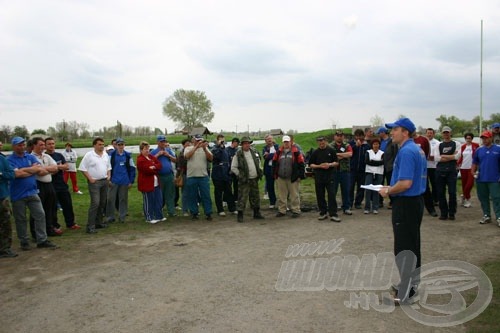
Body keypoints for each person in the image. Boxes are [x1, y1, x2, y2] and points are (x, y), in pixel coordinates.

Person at [380, 118, 426, 305]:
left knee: (404, 248)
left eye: (395, 130)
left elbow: (406, 183)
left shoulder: (407, 151)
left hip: (406, 203)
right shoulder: (417, 149)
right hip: (414, 202)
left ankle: (407, 292)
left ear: (405, 132)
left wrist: (388, 190)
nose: (392, 133)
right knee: (412, 245)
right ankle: (411, 286)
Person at [7, 137, 58, 250]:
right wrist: (31, 170)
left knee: (40, 215)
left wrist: (24, 170)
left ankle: (42, 240)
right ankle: (24, 241)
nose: (21, 147)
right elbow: (16, 175)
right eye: (18, 145)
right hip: (18, 194)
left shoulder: (29, 156)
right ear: (13, 146)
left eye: (22, 144)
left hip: (33, 191)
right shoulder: (9, 160)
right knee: (21, 219)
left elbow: (40, 170)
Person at [45, 137, 81, 230]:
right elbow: (46, 170)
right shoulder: (44, 157)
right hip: (51, 185)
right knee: (52, 207)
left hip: (62, 184)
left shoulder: (59, 155)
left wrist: (55, 167)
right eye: (49, 144)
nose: (51, 145)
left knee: (67, 204)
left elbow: (66, 166)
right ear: (45, 145)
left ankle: (71, 223)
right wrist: (59, 167)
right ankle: (54, 225)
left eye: (53, 143)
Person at [78, 137, 111, 234]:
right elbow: (82, 168)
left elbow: (108, 167)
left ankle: (99, 222)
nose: (101, 146)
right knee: (95, 203)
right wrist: (90, 179)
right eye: (99, 144)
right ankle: (90, 226)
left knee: (102, 203)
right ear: (94, 145)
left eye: (103, 144)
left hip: (104, 181)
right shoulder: (89, 155)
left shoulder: (105, 154)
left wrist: (109, 175)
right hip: (95, 183)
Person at [31, 137, 61, 236]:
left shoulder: (46, 156)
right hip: (38, 185)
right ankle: (36, 232)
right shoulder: (31, 157)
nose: (43, 147)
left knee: (50, 207)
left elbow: (56, 168)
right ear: (34, 145)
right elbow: (39, 172)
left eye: (43, 145)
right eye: (40, 145)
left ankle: (49, 228)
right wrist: (48, 169)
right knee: (38, 209)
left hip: (49, 184)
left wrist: (44, 169)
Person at [231, 136, 264, 223]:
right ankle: (240, 215)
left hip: (254, 179)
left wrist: (260, 170)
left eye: (248, 143)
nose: (247, 145)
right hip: (244, 180)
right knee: (242, 197)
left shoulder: (254, 152)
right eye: (245, 143)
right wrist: (240, 175)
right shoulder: (238, 154)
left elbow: (259, 162)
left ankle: (256, 213)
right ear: (242, 145)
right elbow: (233, 167)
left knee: (255, 196)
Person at [308, 136, 341, 222]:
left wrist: (329, 165)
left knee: (331, 195)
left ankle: (333, 214)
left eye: (323, 142)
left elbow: (336, 163)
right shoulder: (315, 152)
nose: (321, 144)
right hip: (319, 176)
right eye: (319, 142)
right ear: (317, 143)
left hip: (330, 175)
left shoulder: (331, 150)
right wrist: (319, 166)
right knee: (320, 195)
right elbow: (311, 164)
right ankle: (323, 213)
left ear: (326, 141)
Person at [272, 135, 305, 218]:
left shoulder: (296, 152)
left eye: (287, 142)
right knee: (281, 195)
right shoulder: (278, 152)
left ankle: (296, 210)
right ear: (282, 142)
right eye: (284, 142)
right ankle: (282, 210)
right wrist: (274, 174)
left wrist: (300, 175)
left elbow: (301, 164)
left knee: (294, 195)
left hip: (292, 177)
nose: (286, 143)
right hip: (280, 177)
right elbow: (274, 163)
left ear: (290, 142)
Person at [471, 131, 500, 226]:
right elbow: (475, 162)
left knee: (496, 198)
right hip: (481, 178)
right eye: (483, 138)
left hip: (495, 178)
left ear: (491, 138)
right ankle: (486, 215)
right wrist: (473, 172)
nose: (484, 140)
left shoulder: (498, 149)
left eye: (486, 138)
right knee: (483, 198)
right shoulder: (479, 150)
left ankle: (499, 217)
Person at [433, 126, 461, 220]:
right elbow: (436, 158)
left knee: (452, 192)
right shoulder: (438, 145)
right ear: (442, 134)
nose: (446, 134)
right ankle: (443, 213)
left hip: (452, 171)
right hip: (440, 170)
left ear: (450, 133)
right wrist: (451, 156)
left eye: (447, 132)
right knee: (440, 193)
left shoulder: (456, 143)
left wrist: (444, 156)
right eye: (444, 133)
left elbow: (457, 157)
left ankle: (452, 212)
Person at [106, 137, 136, 223]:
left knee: (123, 199)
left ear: (124, 145)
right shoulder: (111, 155)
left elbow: (132, 168)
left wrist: (131, 181)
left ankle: (122, 217)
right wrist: (109, 179)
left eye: (122, 144)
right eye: (119, 144)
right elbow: (107, 167)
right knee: (111, 199)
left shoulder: (128, 155)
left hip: (124, 181)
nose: (120, 146)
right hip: (113, 181)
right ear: (116, 145)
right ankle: (110, 217)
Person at [184, 134, 213, 221]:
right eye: (197, 140)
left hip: (203, 176)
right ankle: (194, 213)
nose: (199, 142)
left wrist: (204, 148)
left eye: (200, 140)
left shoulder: (205, 148)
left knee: (206, 195)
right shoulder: (188, 148)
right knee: (192, 196)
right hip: (191, 176)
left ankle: (208, 213)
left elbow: (211, 158)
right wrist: (196, 147)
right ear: (193, 140)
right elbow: (187, 156)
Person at [137, 141, 165, 224]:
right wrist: (153, 168)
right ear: (141, 150)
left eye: (148, 148)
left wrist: (154, 167)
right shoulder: (140, 159)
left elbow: (159, 165)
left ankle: (159, 216)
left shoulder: (151, 156)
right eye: (145, 149)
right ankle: (149, 217)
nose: (147, 150)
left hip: (156, 183)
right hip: (147, 183)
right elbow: (146, 170)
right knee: (149, 201)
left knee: (158, 200)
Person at [151, 135, 177, 217]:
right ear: (157, 142)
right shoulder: (154, 152)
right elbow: (150, 162)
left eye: (164, 141)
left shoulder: (168, 150)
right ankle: (158, 211)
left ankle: (171, 211)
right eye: (161, 141)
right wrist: (158, 155)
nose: (163, 143)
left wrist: (168, 155)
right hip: (159, 176)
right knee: (159, 195)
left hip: (169, 175)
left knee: (170, 194)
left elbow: (175, 160)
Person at [211, 134, 236, 216]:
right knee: (218, 192)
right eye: (220, 140)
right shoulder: (214, 149)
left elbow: (228, 160)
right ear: (217, 140)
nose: (222, 141)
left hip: (226, 173)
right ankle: (220, 210)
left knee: (229, 192)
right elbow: (216, 157)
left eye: (223, 140)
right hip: (218, 174)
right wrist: (220, 148)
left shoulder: (226, 149)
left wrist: (230, 170)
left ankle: (232, 208)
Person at [413, 132, 437, 217]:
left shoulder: (423, 139)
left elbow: (427, 153)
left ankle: (431, 209)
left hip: (422, 169)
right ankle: (414, 209)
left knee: (425, 188)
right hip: (411, 168)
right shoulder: (408, 140)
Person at [330, 130, 353, 215]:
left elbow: (350, 154)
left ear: (343, 137)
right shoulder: (330, 146)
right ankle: (332, 208)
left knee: (346, 190)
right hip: (334, 172)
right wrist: (343, 154)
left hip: (345, 171)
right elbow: (331, 156)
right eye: (338, 135)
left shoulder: (347, 145)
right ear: (335, 136)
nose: (339, 137)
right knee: (333, 191)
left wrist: (338, 155)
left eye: (341, 135)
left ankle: (346, 207)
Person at [0, 148, 17, 258]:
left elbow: (11, 174)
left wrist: (1, 174)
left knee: (5, 222)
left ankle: (5, 248)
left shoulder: (2, 159)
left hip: (2, 196)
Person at [377, 127, 399, 209]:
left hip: (390, 166)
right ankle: (380, 201)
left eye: (379, 133)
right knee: (380, 183)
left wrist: (394, 164)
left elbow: (396, 154)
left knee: (391, 183)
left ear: (383, 132)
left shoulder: (392, 142)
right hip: (381, 166)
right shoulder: (379, 141)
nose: (378, 134)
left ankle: (392, 201)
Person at [349, 129, 369, 210]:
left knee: (361, 187)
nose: (359, 137)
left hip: (362, 169)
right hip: (352, 169)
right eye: (357, 135)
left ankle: (358, 203)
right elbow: (350, 154)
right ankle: (349, 203)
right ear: (355, 136)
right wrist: (355, 146)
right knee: (350, 187)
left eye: (360, 135)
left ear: (363, 136)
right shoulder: (351, 144)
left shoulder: (367, 145)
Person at [457, 133, 479, 208]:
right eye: (467, 138)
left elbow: (478, 156)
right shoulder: (463, 146)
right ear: (465, 139)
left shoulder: (476, 146)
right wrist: (458, 164)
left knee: (469, 184)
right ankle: (465, 198)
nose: (468, 140)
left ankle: (466, 198)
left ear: (472, 139)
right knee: (464, 184)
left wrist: (477, 166)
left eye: (469, 138)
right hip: (463, 168)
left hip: (471, 168)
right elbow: (460, 156)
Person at [363, 138, 384, 214]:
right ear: (372, 145)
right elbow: (367, 162)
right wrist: (377, 162)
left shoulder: (382, 153)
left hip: (379, 173)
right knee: (368, 190)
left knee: (376, 190)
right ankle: (367, 208)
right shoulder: (368, 152)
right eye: (374, 144)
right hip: (369, 172)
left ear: (379, 145)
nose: (376, 145)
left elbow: (383, 162)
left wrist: (373, 162)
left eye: (377, 144)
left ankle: (375, 207)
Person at [262, 134, 279, 209]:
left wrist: (270, 155)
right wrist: (273, 155)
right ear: (265, 141)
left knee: (281, 186)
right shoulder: (264, 148)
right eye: (267, 139)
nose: (269, 140)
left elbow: (279, 154)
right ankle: (272, 201)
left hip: (277, 168)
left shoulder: (277, 146)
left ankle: (283, 202)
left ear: (273, 139)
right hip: (268, 169)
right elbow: (265, 157)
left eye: (270, 138)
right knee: (270, 186)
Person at [176, 139, 192, 216]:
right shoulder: (181, 154)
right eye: (187, 143)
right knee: (185, 193)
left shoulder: (192, 152)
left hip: (192, 174)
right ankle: (185, 210)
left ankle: (192, 208)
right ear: (183, 145)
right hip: (185, 175)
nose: (189, 145)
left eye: (189, 143)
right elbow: (180, 165)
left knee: (192, 193)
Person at [425, 128, 440, 206]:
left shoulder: (437, 143)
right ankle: (427, 200)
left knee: (434, 183)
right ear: (426, 134)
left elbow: (438, 155)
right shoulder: (424, 141)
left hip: (434, 166)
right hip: (425, 166)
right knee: (425, 184)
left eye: (431, 133)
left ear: (433, 134)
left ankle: (436, 199)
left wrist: (430, 157)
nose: (429, 134)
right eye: (428, 133)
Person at [227, 138, 240, 204]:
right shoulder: (227, 150)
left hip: (235, 170)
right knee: (228, 186)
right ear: (234, 142)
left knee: (236, 186)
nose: (237, 145)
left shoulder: (237, 150)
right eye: (237, 144)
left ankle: (235, 198)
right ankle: (226, 200)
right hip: (229, 171)